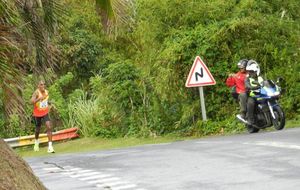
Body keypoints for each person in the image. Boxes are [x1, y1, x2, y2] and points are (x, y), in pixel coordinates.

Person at [31, 80, 55, 153]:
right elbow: (31, 102)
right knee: (38, 129)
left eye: (44, 84)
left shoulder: (46, 92)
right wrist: (38, 99)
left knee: (49, 126)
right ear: (38, 86)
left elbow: (46, 101)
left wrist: (51, 104)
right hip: (37, 113)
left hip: (45, 112)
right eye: (41, 85)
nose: (43, 86)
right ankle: (36, 142)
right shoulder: (36, 92)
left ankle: (50, 147)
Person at [245, 60, 264, 125]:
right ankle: (250, 119)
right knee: (251, 102)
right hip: (252, 95)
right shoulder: (247, 79)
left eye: (251, 71)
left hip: (262, 94)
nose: (250, 73)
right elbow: (247, 85)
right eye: (249, 71)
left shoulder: (260, 78)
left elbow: (266, 83)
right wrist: (252, 87)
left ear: (256, 71)